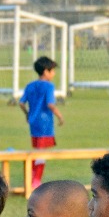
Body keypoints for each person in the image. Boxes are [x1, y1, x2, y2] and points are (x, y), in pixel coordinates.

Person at [19, 56, 65, 191]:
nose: (54, 74)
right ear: (45, 71)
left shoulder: (30, 86)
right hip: (45, 124)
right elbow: (50, 104)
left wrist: (27, 113)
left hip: (33, 123)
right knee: (41, 153)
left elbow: (21, 103)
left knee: (37, 151)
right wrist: (60, 116)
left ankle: (32, 178)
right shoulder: (49, 86)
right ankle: (35, 181)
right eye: (52, 71)